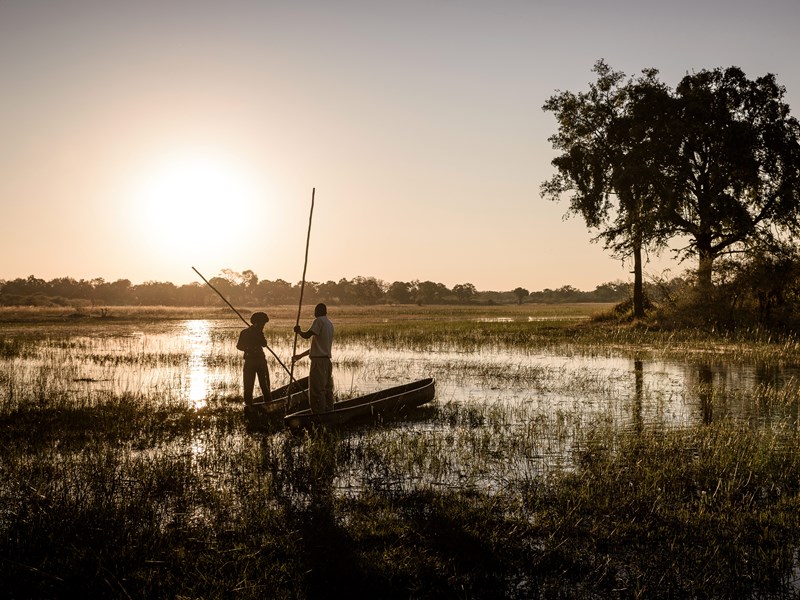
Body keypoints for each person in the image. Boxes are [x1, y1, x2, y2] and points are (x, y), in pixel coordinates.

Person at [292, 303, 334, 413]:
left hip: (318, 362)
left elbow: (306, 336)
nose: (314, 313)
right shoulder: (329, 324)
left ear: (320, 311)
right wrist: (300, 356)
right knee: (326, 389)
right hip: (326, 361)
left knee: (317, 390)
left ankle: (319, 414)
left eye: (315, 310)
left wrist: (299, 331)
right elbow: (317, 348)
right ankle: (329, 410)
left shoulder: (319, 321)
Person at [237, 311, 272, 405]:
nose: (263, 325)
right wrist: (249, 349)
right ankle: (250, 406)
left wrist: (259, 333)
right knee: (250, 386)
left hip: (257, 361)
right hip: (252, 361)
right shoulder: (245, 332)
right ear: (256, 322)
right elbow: (239, 346)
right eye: (262, 323)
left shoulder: (257, 332)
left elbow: (264, 344)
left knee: (263, 385)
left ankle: (268, 405)